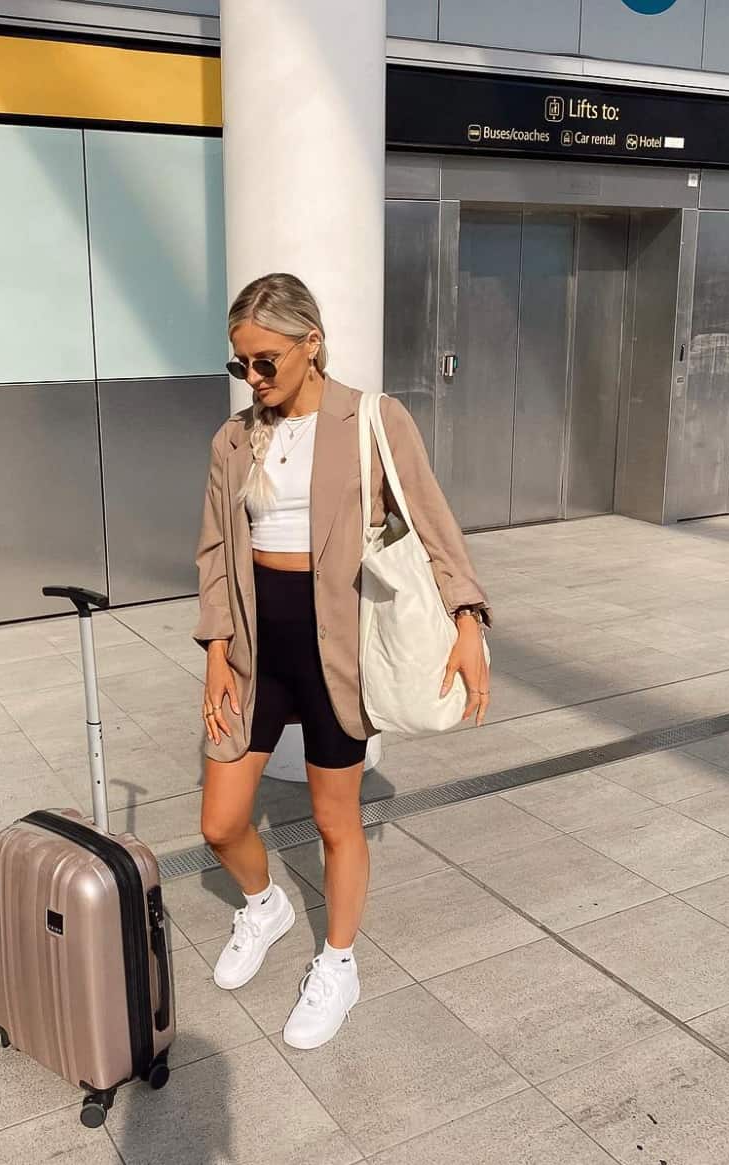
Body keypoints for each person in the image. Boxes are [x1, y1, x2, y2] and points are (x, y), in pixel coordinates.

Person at [193, 272, 491, 1050]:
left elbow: (432, 522)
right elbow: (217, 553)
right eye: (241, 365)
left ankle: (339, 962)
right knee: (221, 821)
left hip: (338, 649)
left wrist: (467, 620)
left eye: (266, 361)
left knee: (334, 819)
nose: (253, 379)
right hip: (259, 650)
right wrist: (216, 654)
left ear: (310, 344)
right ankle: (263, 906)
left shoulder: (371, 419)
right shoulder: (233, 440)